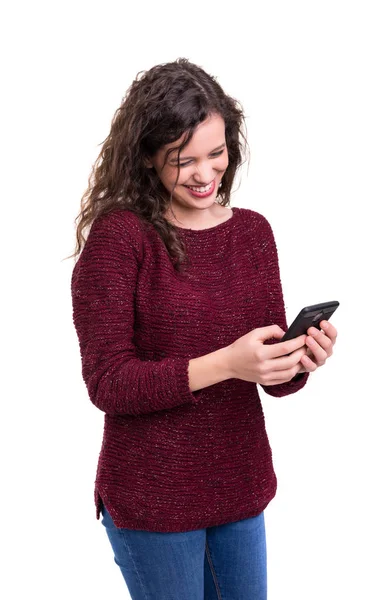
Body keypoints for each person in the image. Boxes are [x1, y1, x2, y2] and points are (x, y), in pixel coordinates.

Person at [70, 58, 337, 600]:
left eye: (217, 153)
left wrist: (298, 358)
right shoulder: (120, 239)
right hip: (153, 499)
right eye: (182, 160)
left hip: (240, 489)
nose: (205, 173)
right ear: (147, 157)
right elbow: (108, 383)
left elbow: (272, 377)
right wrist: (225, 364)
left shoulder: (252, 234)